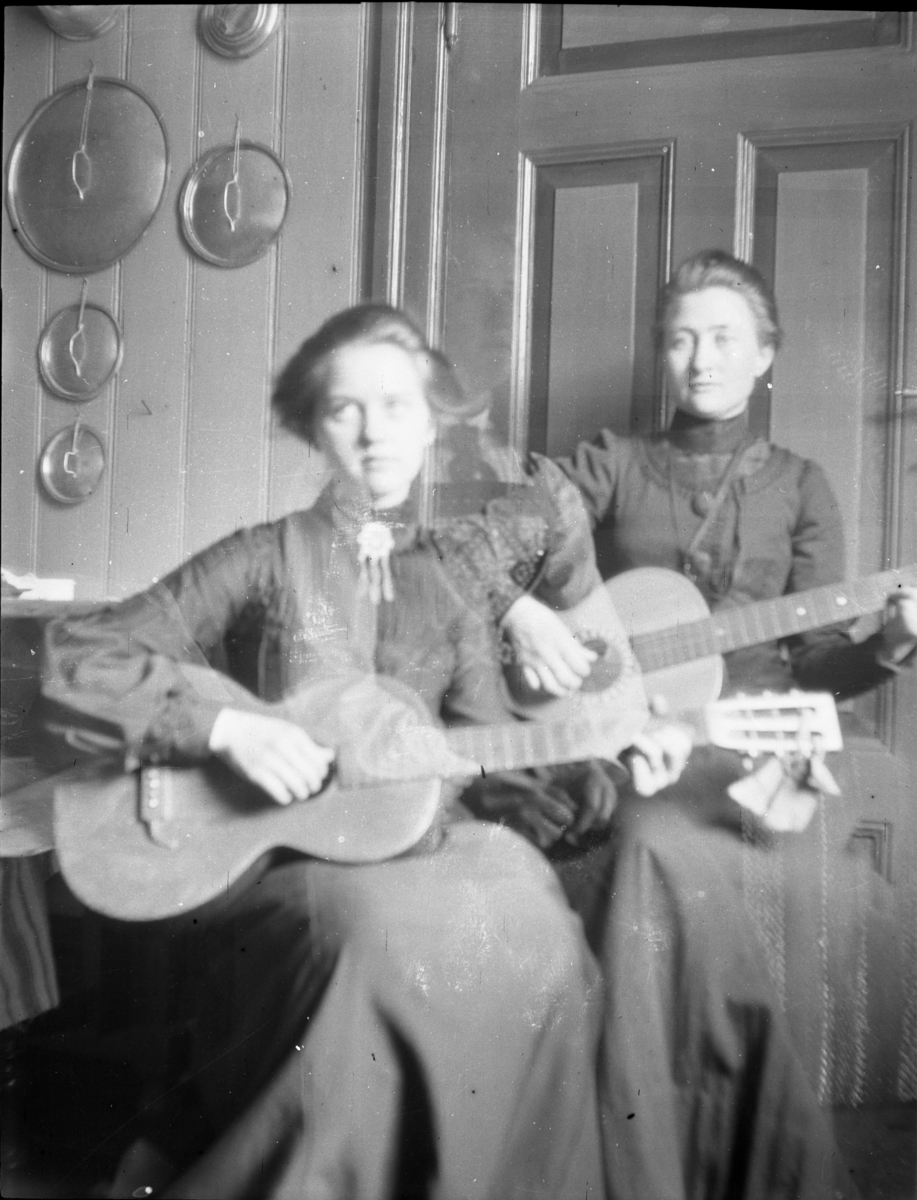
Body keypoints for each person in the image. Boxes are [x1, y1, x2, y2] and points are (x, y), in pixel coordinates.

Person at [38, 305, 633, 1200]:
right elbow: (81, 654)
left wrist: (591, 768)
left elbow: (481, 753)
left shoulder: (455, 579)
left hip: (425, 848)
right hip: (286, 858)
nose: (373, 433)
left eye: (396, 407)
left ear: (432, 423)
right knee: (376, 937)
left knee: (537, 927)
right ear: (316, 427)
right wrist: (226, 728)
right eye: (345, 409)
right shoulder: (264, 558)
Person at [436, 250, 917, 1200]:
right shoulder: (613, 464)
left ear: (764, 356)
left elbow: (821, 662)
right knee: (638, 840)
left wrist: (896, 640)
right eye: (683, 338)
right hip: (626, 734)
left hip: (750, 743)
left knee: (711, 861)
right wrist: (519, 611)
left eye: (725, 339)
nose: (701, 359)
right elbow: (473, 545)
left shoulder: (799, 487)